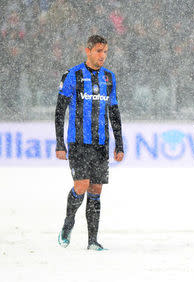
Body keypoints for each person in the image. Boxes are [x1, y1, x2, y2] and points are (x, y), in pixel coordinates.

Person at [55, 35, 124, 251]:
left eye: (105, 52)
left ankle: (92, 240)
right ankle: (68, 223)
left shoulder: (109, 78)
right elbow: (59, 110)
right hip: (79, 142)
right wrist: (59, 143)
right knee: (81, 186)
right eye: (98, 51)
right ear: (88, 51)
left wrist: (119, 144)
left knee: (96, 190)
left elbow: (114, 112)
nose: (102, 56)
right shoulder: (73, 75)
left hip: (101, 144)